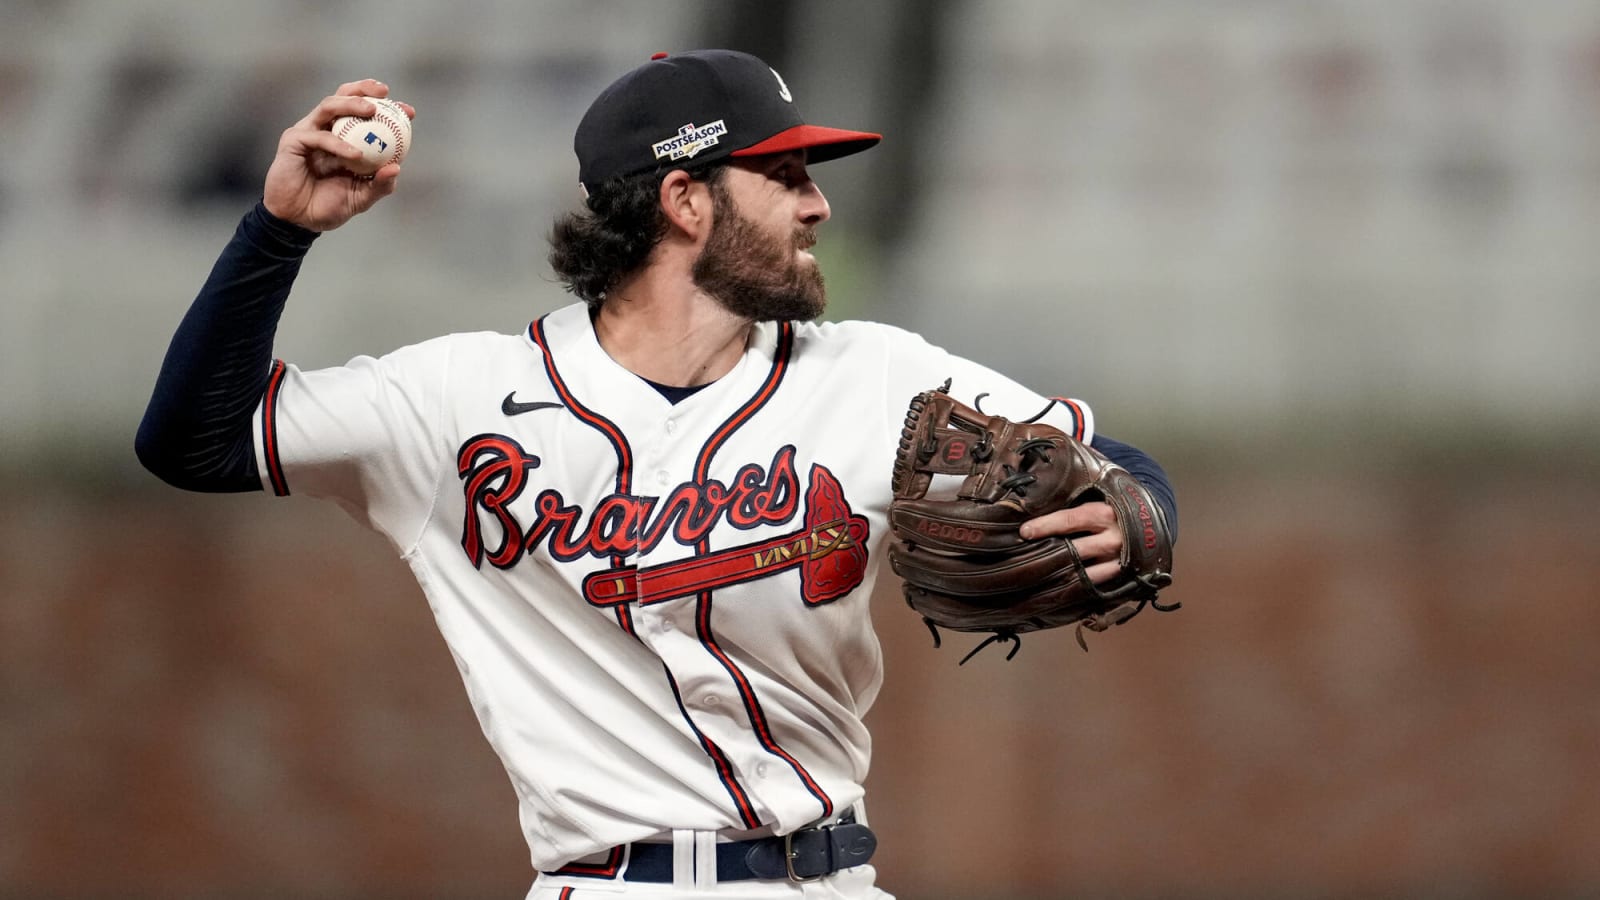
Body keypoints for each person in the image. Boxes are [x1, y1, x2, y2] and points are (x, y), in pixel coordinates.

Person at [137, 49, 1177, 900]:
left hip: (832, 880)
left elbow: (1102, 459)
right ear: (684, 199)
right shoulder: (459, 399)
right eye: (784, 176)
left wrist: (1135, 509)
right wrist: (278, 235)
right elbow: (195, 442)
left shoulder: (876, 374)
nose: (817, 206)